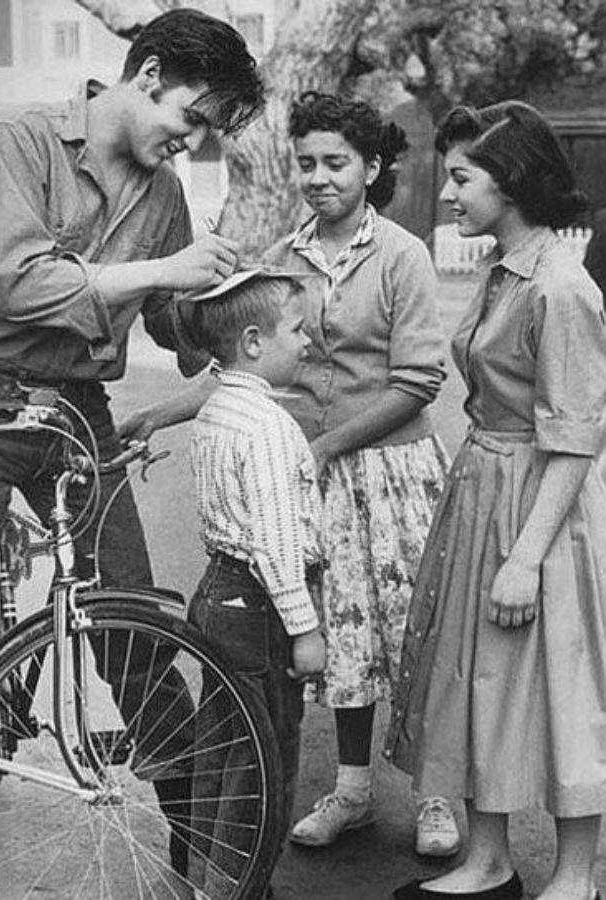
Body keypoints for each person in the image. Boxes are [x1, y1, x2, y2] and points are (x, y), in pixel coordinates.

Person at [0, 6, 264, 680]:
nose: (194, 141)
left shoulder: (165, 193)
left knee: (135, 628)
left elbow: (169, 323)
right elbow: (18, 284)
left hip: (79, 412)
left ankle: (175, 757)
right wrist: (164, 270)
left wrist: (225, 300)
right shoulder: (18, 141)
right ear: (149, 74)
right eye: (192, 117)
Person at [386, 101, 606, 900]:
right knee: (478, 675)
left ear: (508, 182)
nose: (447, 193)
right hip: (484, 488)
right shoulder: (502, 267)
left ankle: (576, 876)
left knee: (562, 685)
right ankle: (489, 861)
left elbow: (575, 436)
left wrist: (525, 558)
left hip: (543, 505)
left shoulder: (562, 286)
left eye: (461, 178)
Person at [257, 91, 458, 858]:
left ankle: (435, 793)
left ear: (370, 168)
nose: (318, 177)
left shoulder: (403, 254)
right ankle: (353, 791)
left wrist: (328, 445)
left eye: (335, 162)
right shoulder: (284, 257)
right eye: (306, 162)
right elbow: (252, 365)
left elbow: (418, 381)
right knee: (344, 638)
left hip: (395, 473)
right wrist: (157, 414)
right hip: (320, 479)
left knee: (414, 635)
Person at [184, 270, 326, 900]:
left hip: (219, 592)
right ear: (252, 342)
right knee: (265, 755)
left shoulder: (217, 409)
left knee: (219, 745)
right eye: (296, 330)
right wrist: (305, 629)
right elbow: (275, 541)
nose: (308, 342)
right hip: (261, 605)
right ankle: (243, 885)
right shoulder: (267, 425)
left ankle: (205, 876)